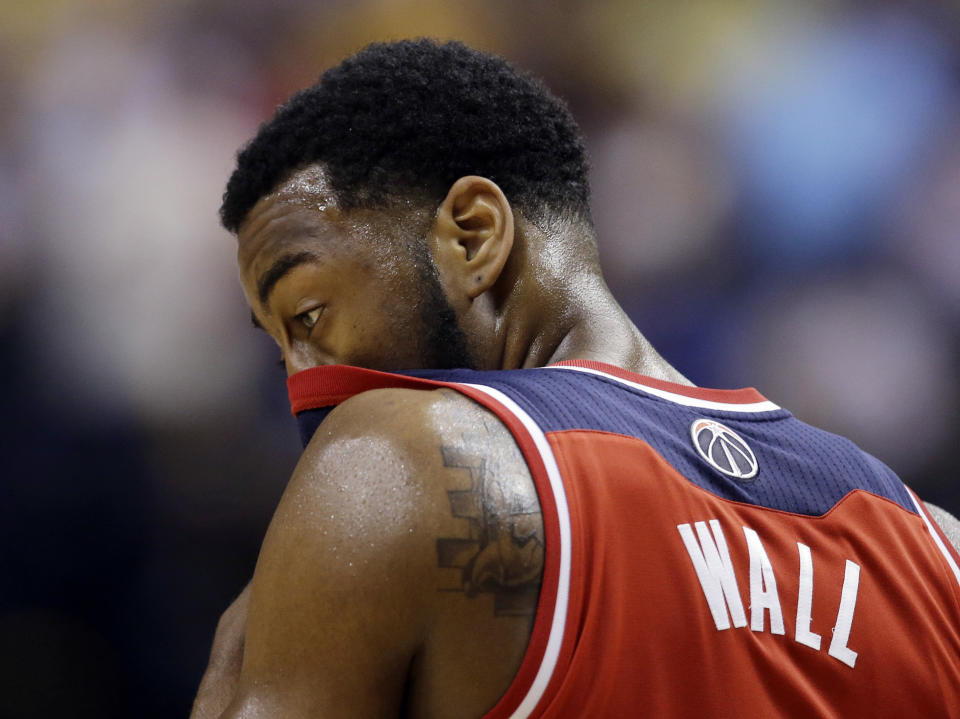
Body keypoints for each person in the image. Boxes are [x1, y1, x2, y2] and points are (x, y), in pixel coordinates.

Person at [191, 39, 960, 718]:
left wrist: (260, 626)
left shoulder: (399, 460)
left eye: (310, 315)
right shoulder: (934, 548)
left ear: (473, 236)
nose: (301, 382)